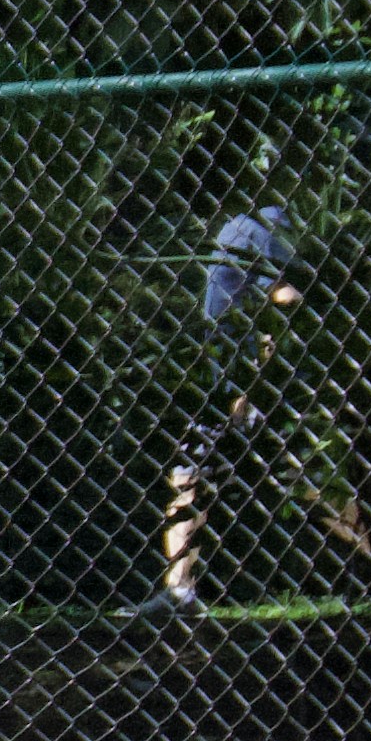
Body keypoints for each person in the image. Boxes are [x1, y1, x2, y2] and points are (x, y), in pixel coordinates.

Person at [136, 198, 300, 621]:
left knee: (308, 482)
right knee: (191, 475)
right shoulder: (243, 225)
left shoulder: (261, 223)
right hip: (230, 379)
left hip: (254, 382)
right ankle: (179, 590)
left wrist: (259, 374)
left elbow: (284, 296)